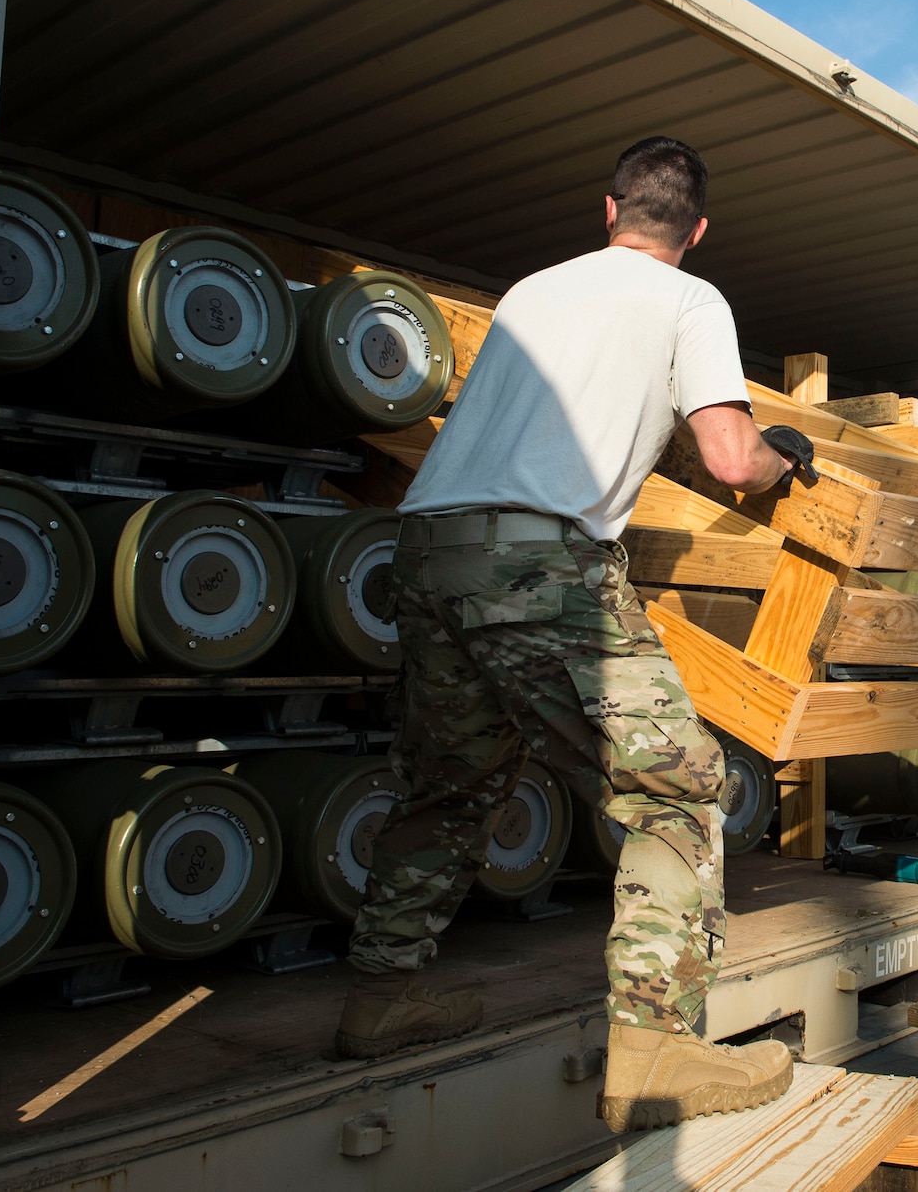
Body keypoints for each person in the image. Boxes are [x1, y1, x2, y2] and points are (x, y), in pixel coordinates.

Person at [334, 137, 811, 1133]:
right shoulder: (692, 301)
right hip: (535, 560)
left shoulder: (531, 291)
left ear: (610, 209)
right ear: (698, 229)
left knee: (451, 778)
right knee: (677, 781)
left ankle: (383, 992)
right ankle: (653, 1044)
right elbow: (729, 457)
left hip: (427, 544)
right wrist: (784, 453)